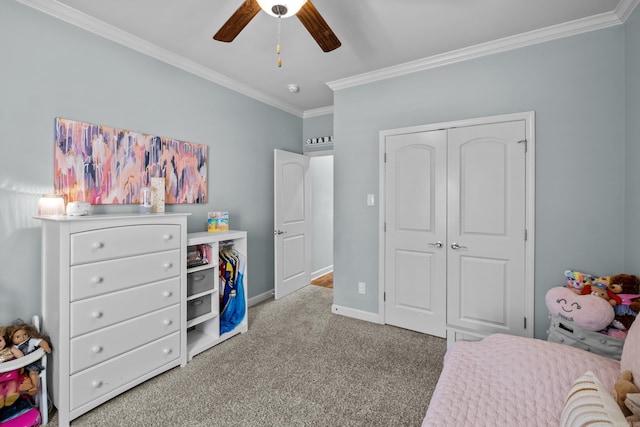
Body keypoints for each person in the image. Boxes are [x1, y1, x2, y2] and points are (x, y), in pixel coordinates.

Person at [8, 322, 51, 395]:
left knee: (33, 373)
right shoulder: (14, 347)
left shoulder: (31, 341)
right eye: (18, 337)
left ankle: (34, 387)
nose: (23, 337)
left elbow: (40, 341)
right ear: (11, 339)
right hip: (21, 366)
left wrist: (46, 346)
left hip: (32, 362)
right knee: (19, 376)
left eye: (25, 334)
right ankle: (22, 387)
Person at [0, 326, 24, 408]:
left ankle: (11, 395)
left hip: (10, 371)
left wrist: (22, 365)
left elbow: (20, 355)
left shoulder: (9, 349)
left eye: (0, 341)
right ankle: (0, 399)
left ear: (4, 339)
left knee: (12, 382)